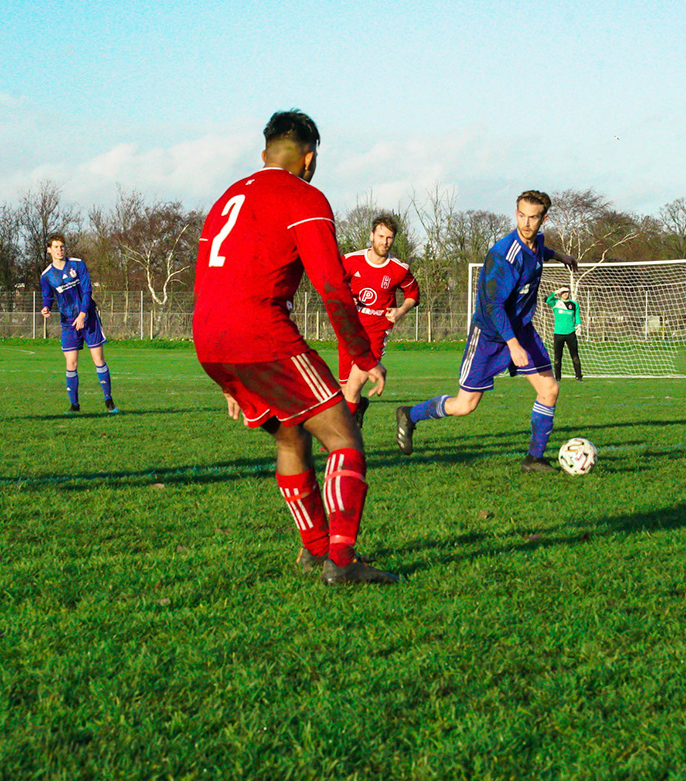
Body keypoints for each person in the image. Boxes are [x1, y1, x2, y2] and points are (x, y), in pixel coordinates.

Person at [193, 109, 397, 585]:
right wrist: (364, 359)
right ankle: (341, 563)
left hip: (209, 337)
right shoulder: (304, 197)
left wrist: (227, 372)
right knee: (343, 435)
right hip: (259, 330)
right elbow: (331, 285)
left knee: (291, 435)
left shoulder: (226, 198)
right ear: (308, 159)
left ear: (264, 154)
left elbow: (206, 277)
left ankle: (314, 549)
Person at [395, 190, 578, 472]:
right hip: (491, 336)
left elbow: (540, 249)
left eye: (533, 217)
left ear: (544, 218)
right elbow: (493, 306)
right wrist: (513, 345)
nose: (526, 223)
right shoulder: (503, 254)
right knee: (464, 405)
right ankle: (411, 415)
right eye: (521, 215)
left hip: (521, 329)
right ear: (515, 213)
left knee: (549, 389)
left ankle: (534, 459)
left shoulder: (536, 242)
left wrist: (561, 256)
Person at [339, 214, 419, 428]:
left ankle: (342, 438)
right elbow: (334, 285)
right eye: (381, 236)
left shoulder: (399, 269)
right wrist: (346, 296)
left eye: (389, 238)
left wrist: (401, 310)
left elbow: (413, 293)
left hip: (376, 332)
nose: (384, 242)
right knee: (344, 387)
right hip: (350, 331)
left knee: (354, 386)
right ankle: (358, 409)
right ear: (372, 235)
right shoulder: (350, 260)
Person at [40, 235, 117, 414]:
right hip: (68, 322)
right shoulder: (46, 276)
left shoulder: (77, 264)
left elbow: (87, 289)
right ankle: (74, 405)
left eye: (62, 247)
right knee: (71, 363)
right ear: (49, 250)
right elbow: (47, 296)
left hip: (88, 317)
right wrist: (45, 307)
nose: (60, 250)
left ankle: (109, 400)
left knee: (98, 359)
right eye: (56, 247)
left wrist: (83, 314)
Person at [547, 287, 583, 381]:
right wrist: (556, 291)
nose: (565, 294)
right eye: (563, 292)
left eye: (566, 292)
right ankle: (558, 378)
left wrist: (579, 325)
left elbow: (577, 316)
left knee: (575, 355)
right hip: (558, 334)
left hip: (570, 333)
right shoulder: (556, 303)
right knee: (557, 357)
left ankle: (579, 376)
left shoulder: (574, 304)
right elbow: (548, 299)